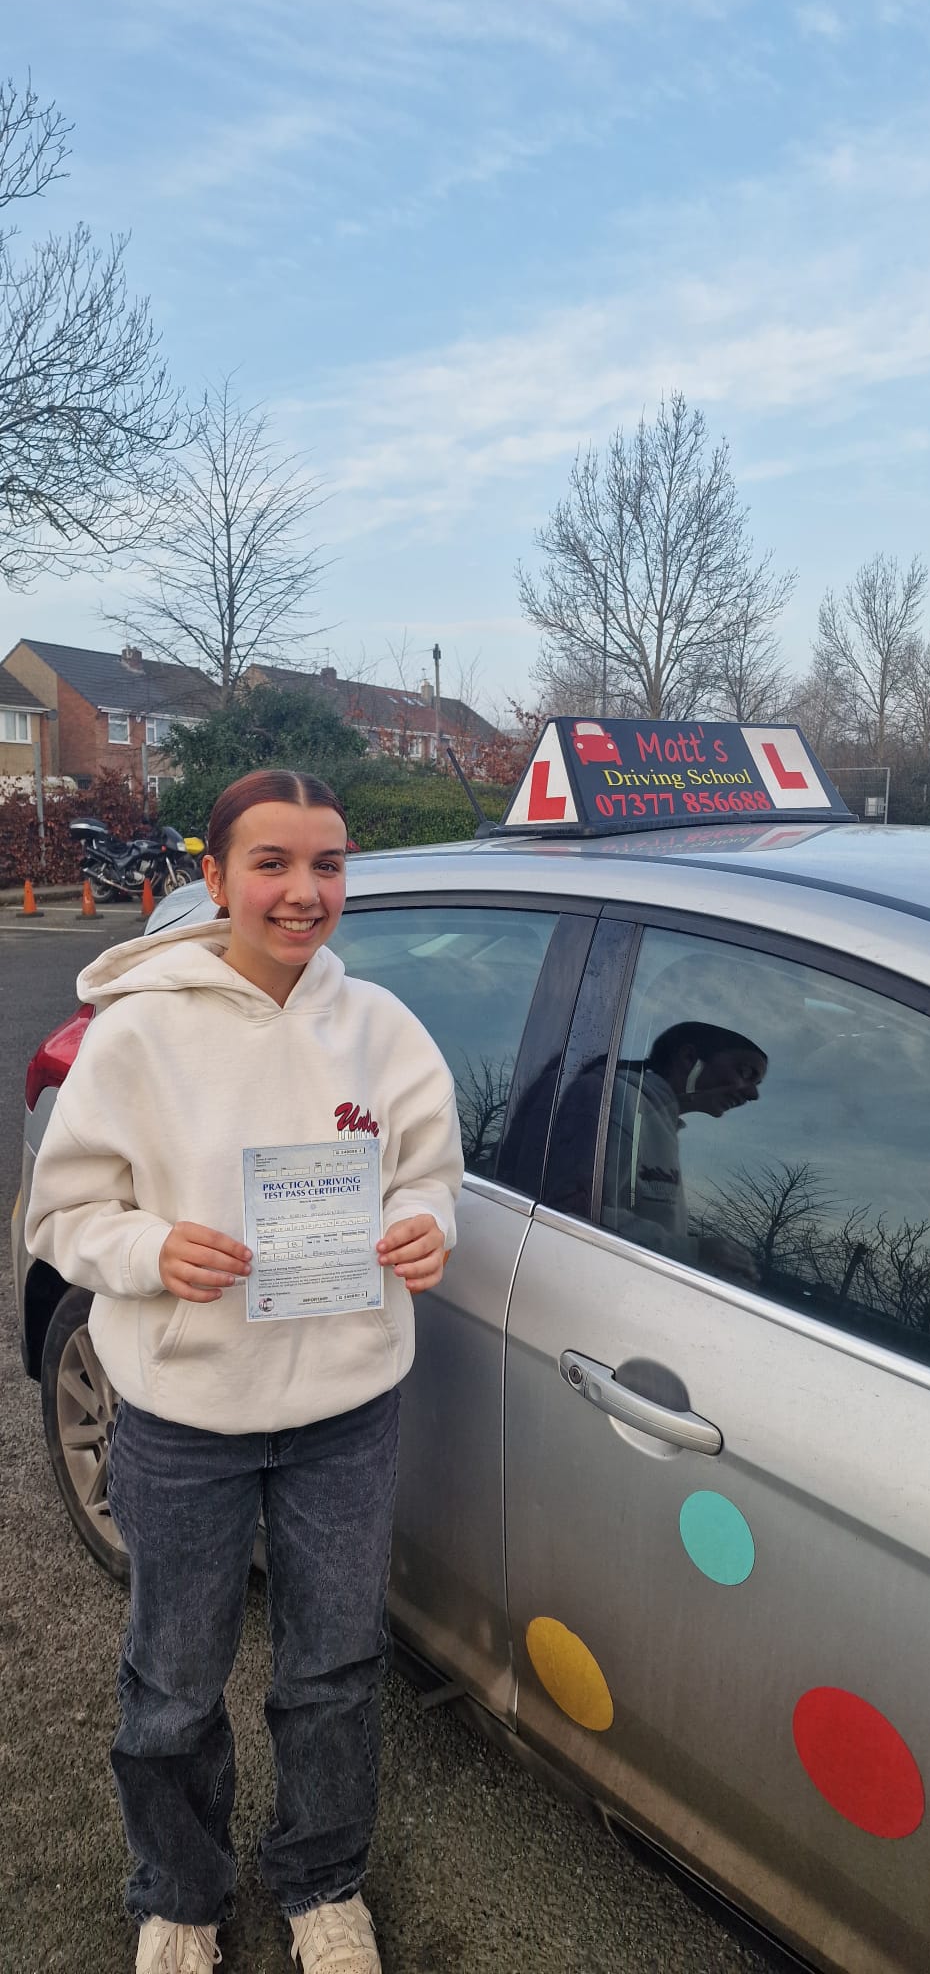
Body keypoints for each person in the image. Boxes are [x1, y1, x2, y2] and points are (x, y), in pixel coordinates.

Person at [25, 770, 464, 1974]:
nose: (302, 890)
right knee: (172, 1676)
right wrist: (151, 1248)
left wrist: (430, 1222)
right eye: (270, 862)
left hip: (345, 1412)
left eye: (326, 863)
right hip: (183, 1416)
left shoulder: (382, 1028)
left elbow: (429, 1173)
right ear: (210, 878)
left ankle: (321, 1880)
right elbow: (60, 1215)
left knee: (334, 1664)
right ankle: (181, 1891)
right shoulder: (138, 1035)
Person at [602, 1020, 768, 1278]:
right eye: (746, 1073)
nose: (753, 1095)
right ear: (689, 1058)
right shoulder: (617, 1105)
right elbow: (575, 1216)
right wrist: (695, 1252)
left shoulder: (659, 1121)